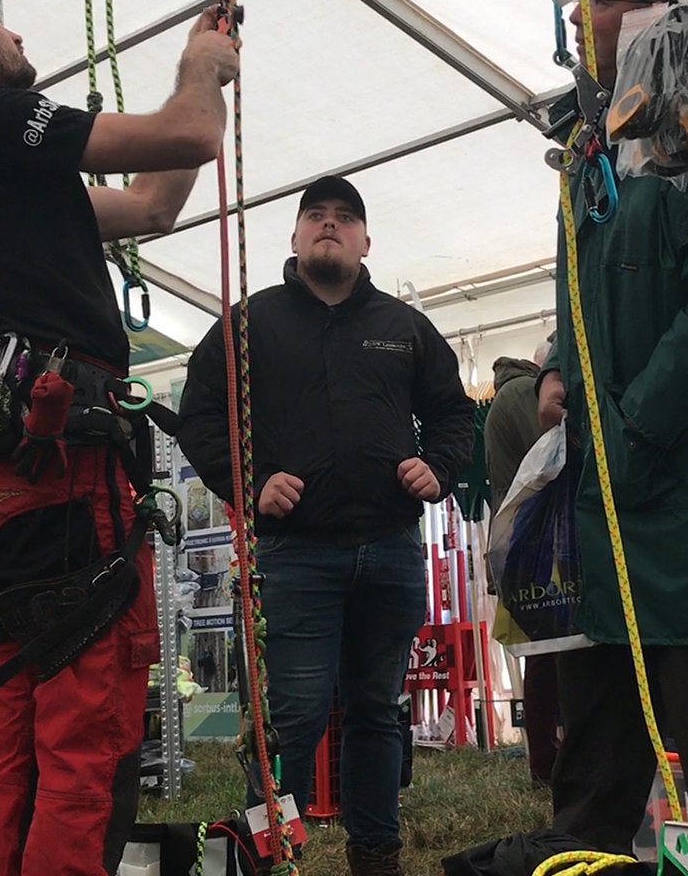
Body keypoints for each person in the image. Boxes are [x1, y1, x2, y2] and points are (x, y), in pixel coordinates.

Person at [0, 0, 237, 876]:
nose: (14, 32)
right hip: (61, 474)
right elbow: (189, 136)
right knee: (83, 740)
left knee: (10, 740)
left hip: (6, 482)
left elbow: (153, 205)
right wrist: (200, 69)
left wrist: (205, 75)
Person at [177, 176, 474, 876]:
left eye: (345, 217)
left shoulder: (404, 327)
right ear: (295, 236)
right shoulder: (249, 324)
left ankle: (376, 856)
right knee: (292, 719)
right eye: (316, 215)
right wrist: (250, 484)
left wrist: (439, 466)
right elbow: (200, 416)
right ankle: (268, 858)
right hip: (295, 555)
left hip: (391, 549)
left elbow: (454, 412)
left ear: (367, 241)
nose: (330, 225)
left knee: (378, 709)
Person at [537, 0, 688, 853]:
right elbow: (577, 289)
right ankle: (584, 854)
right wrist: (556, 368)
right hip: (606, 492)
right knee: (600, 711)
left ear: (651, 15)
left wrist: (639, 422)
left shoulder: (687, 135)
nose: (576, 18)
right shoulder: (591, 149)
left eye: (596, 1)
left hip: (676, 484)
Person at [483, 340, 560, 787]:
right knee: (548, 656)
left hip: (527, 544)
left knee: (546, 656)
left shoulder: (512, 394)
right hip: (535, 546)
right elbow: (552, 452)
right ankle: (546, 763)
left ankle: (548, 760)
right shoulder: (520, 394)